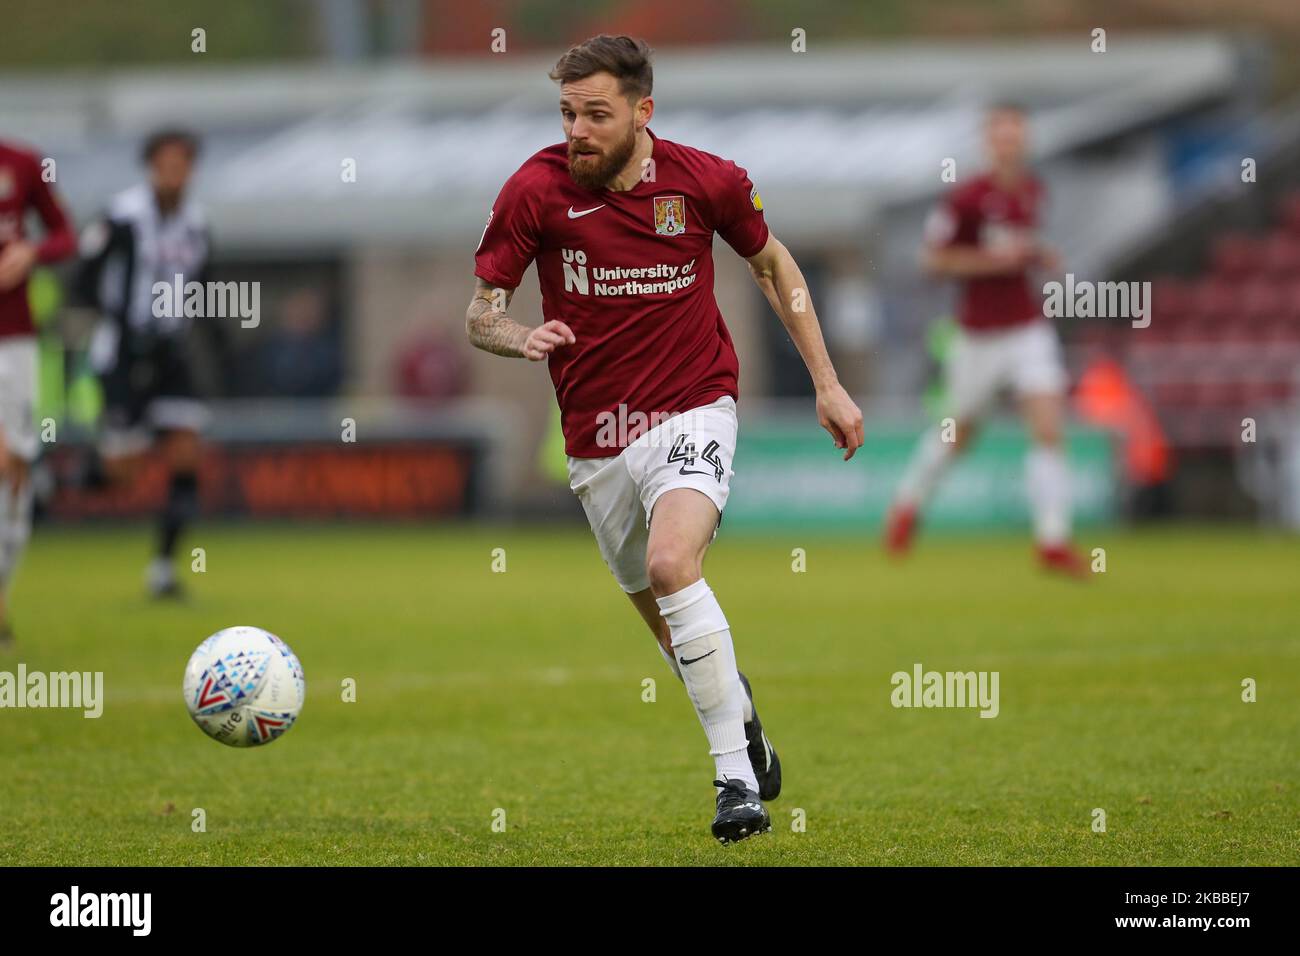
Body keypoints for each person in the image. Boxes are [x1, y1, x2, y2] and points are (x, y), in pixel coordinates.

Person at [466, 35, 863, 843]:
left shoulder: (708, 181)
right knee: (667, 621)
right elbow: (480, 313)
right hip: (596, 437)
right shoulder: (533, 191)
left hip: (694, 405)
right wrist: (519, 337)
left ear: (643, 113)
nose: (577, 130)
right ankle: (741, 712)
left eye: (596, 115)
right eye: (568, 113)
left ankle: (734, 785)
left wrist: (826, 381)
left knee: (672, 564)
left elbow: (773, 265)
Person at [885, 103, 1085, 575]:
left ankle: (1052, 540)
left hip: (1027, 329)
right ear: (987, 143)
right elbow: (932, 260)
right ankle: (907, 504)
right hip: (977, 336)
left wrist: (1036, 255)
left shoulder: (1035, 191)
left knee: (1049, 428)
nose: (1008, 144)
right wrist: (998, 260)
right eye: (1000, 135)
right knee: (958, 435)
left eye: (1015, 135)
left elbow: (1021, 251)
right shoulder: (966, 199)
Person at [77, 128, 220, 598]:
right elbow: (85, 275)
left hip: (171, 351)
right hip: (124, 351)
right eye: (168, 163)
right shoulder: (123, 217)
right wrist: (99, 323)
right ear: (151, 166)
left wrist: (218, 346)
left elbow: (204, 286)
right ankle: (62, 475)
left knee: (185, 451)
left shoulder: (196, 224)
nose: (176, 173)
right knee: (125, 471)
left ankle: (163, 570)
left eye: (184, 164)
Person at [0, 138, 77, 647]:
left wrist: (33, 251)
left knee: (16, 472)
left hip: (16, 342)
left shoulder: (22, 163)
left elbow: (66, 236)